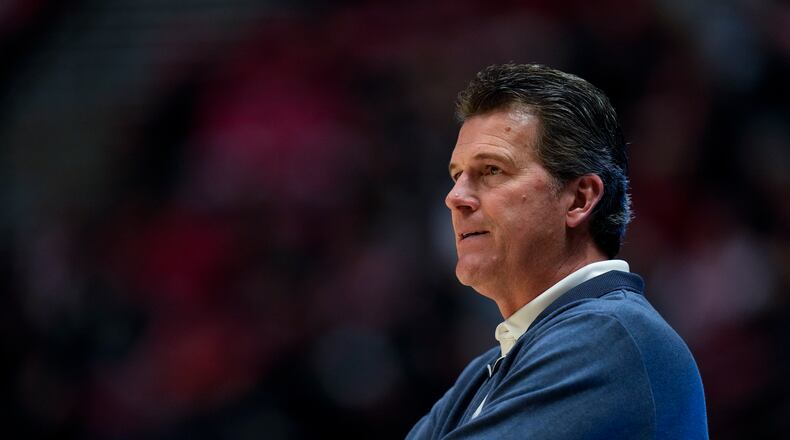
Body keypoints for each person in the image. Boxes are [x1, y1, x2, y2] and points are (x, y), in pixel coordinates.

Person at [407, 64, 708, 439]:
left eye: (492, 170)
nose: (455, 198)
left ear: (579, 199)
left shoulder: (608, 335)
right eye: (457, 176)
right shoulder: (488, 370)